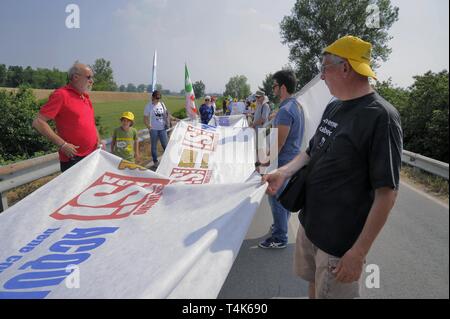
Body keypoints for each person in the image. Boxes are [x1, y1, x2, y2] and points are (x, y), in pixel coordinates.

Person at [262, 36, 403, 298]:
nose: (322, 77)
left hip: (339, 244)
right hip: (310, 226)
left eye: (324, 68)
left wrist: (358, 253)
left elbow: (387, 194)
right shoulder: (335, 106)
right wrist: (284, 172)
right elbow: (310, 151)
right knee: (314, 287)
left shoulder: (381, 117)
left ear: (346, 68)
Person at [258, 70, 304, 249]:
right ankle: (280, 226)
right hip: (293, 160)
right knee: (283, 198)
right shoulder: (295, 106)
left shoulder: (285, 111)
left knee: (275, 198)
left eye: (275, 85)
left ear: (282, 87)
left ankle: (279, 237)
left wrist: (262, 162)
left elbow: (278, 144)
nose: (272, 89)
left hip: (282, 162)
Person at [32, 62, 101, 172]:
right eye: (88, 77)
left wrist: (98, 140)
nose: (91, 81)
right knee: (76, 190)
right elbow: (38, 122)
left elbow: (90, 123)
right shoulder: (61, 95)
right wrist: (63, 145)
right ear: (76, 77)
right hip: (74, 159)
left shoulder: (85, 97)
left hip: (92, 154)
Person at [144, 90, 174, 167]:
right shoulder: (148, 106)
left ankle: (169, 160)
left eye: (159, 98)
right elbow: (145, 119)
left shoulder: (162, 104)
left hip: (162, 129)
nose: (157, 100)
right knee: (154, 146)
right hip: (153, 130)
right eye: (156, 98)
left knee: (165, 145)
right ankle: (155, 161)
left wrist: (175, 119)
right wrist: (148, 127)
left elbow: (167, 115)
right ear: (152, 97)